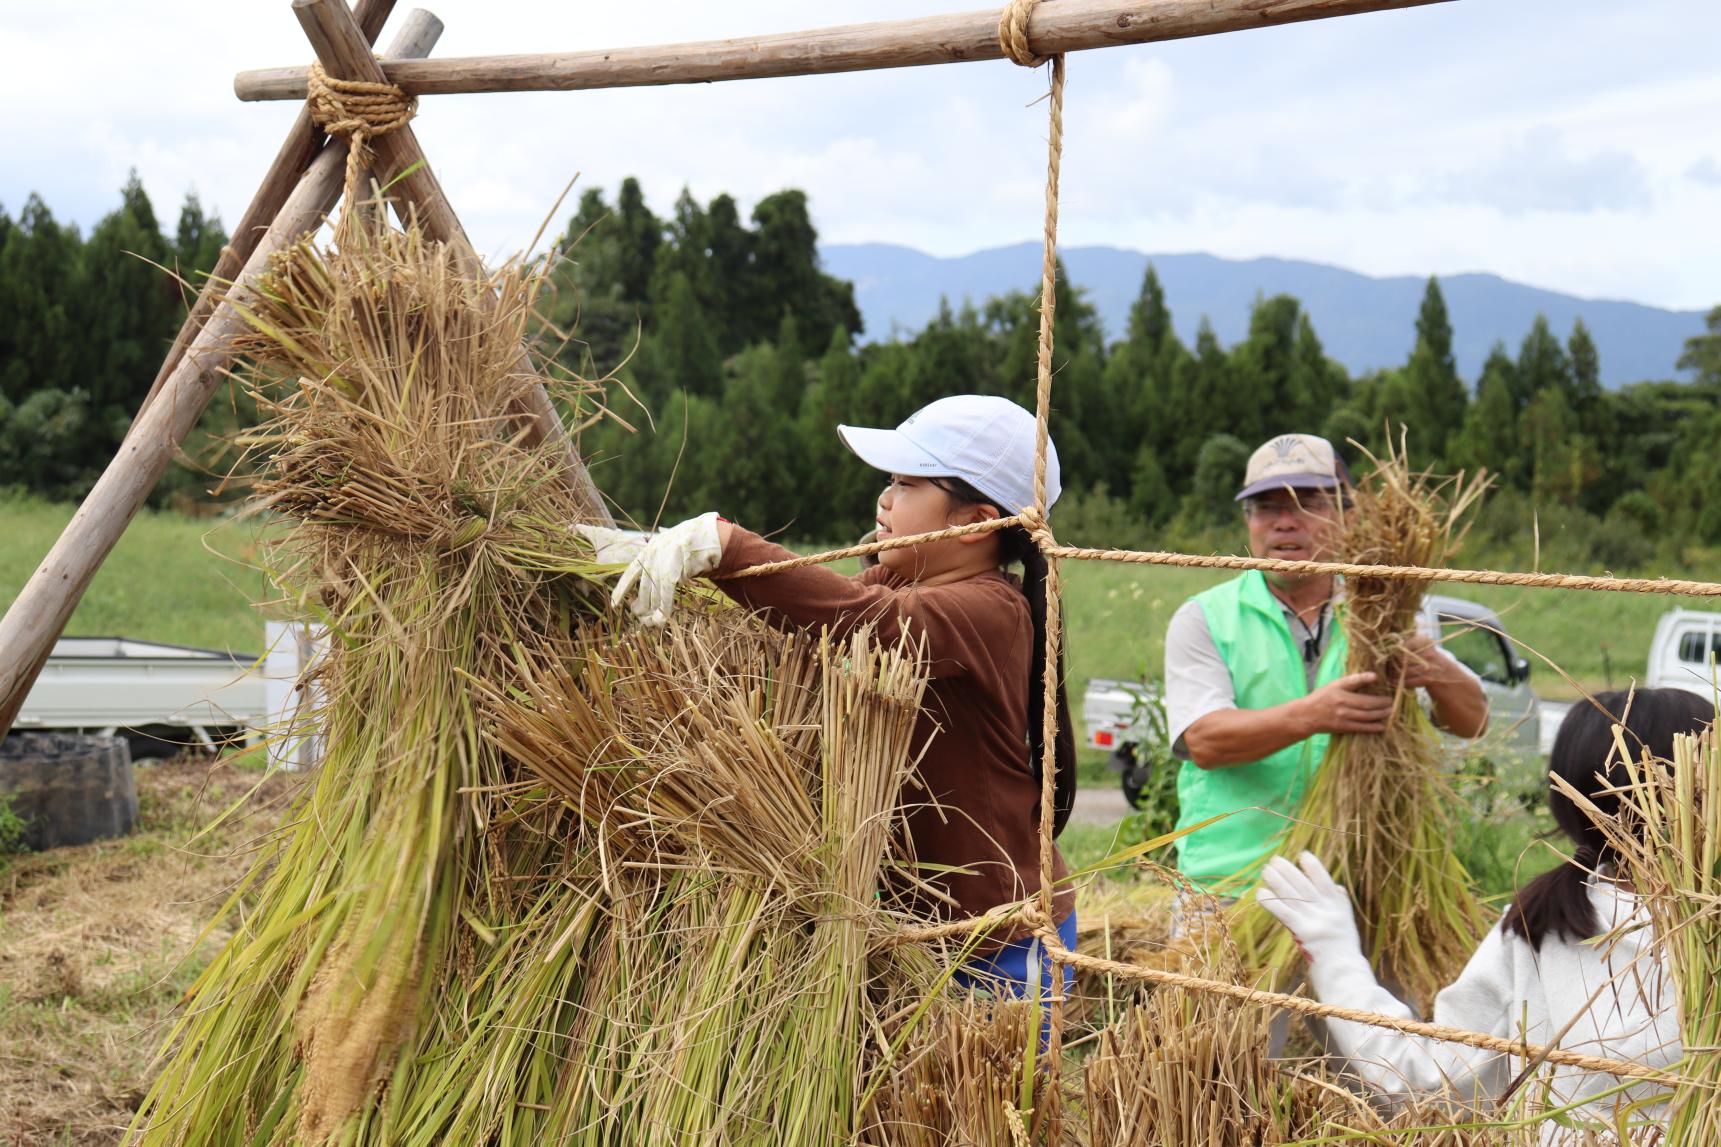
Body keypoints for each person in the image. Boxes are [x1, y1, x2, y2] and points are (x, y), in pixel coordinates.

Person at [589, 394, 1079, 1005]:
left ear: (972, 520)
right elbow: (810, 607)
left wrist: (728, 546)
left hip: (1001, 938)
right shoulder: (903, 577)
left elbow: (861, 617)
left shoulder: (992, 610)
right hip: (917, 931)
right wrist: (647, 551)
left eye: (905, 484)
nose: (884, 500)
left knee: (997, 1097)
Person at [1256, 688, 1712, 1140]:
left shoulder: (1552, 919)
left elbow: (1424, 1079)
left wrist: (1335, 955)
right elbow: (1428, 1077)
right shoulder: (1543, 922)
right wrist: (1336, 957)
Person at [1163, 433, 1488, 894]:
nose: (1284, 523)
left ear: (1348, 517)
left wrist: (1432, 668)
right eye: (1266, 507)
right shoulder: (1205, 618)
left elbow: (1473, 722)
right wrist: (1313, 716)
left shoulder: (1385, 613)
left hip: (1360, 884)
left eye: (1306, 504)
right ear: (1247, 522)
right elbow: (1205, 741)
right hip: (1231, 888)